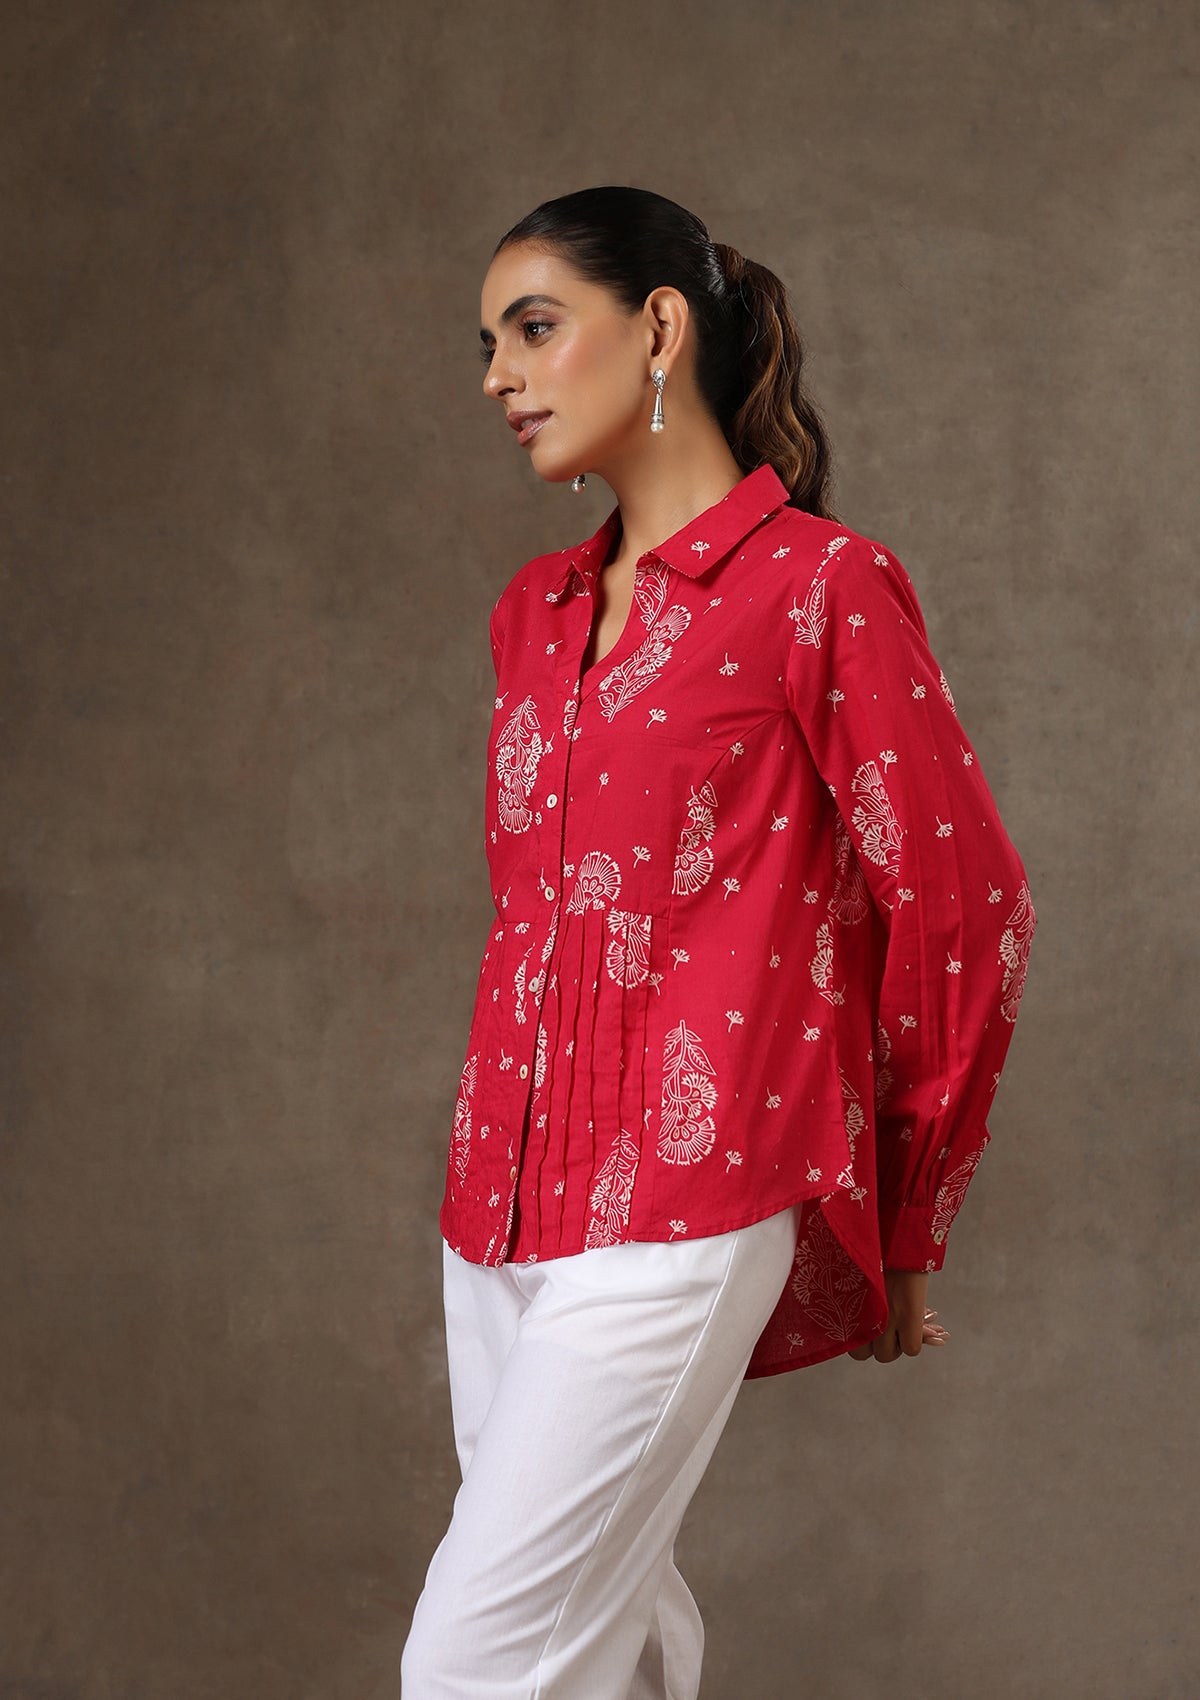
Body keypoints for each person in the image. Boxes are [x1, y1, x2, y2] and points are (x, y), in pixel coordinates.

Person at [400, 186, 1036, 1699]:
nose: (500, 376)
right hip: (495, 1205)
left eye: (534, 328)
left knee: (476, 1668)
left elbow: (964, 907)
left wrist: (905, 1210)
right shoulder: (534, 614)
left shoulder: (820, 589)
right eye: (489, 344)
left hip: (687, 1199)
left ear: (660, 329)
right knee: (606, 1642)